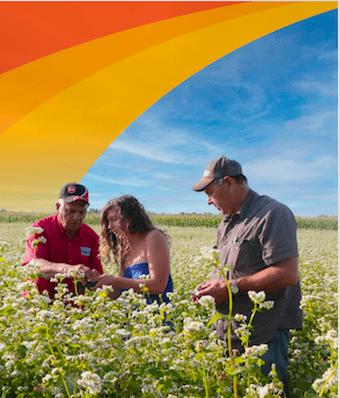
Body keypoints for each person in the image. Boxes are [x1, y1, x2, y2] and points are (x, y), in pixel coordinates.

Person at [190, 155, 302, 397]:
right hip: (230, 336)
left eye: (209, 192)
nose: (208, 202)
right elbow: (231, 271)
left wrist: (230, 287)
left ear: (228, 183)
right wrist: (212, 287)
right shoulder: (227, 223)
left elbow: (287, 274)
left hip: (264, 336)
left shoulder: (273, 213)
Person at [22, 183, 103, 302]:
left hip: (73, 311)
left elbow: (97, 273)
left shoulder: (91, 237)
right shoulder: (40, 229)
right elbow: (33, 264)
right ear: (58, 207)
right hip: (37, 306)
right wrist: (66, 269)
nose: (76, 217)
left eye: (81, 212)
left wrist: (93, 277)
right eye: (70, 211)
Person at [90, 195, 173, 304]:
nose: (109, 226)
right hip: (131, 318)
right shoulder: (126, 249)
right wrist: (98, 283)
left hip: (157, 314)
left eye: (114, 219)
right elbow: (118, 293)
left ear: (129, 218)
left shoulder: (153, 237)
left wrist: (115, 280)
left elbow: (158, 285)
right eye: (108, 221)